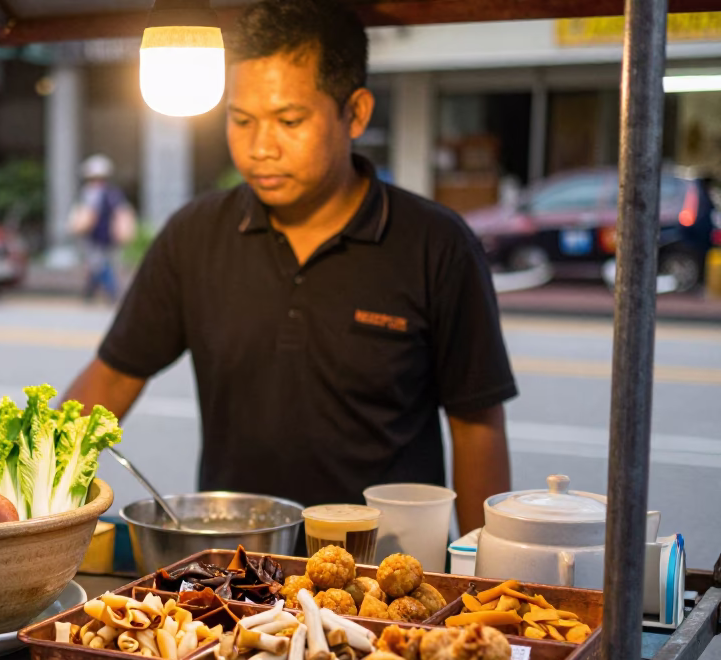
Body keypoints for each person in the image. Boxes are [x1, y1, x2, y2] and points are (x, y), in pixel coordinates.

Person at [62, 0, 515, 537]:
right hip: (239, 567)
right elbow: (113, 377)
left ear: (358, 112)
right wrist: (31, 485)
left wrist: (482, 570)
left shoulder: (436, 245)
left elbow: (476, 427)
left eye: (290, 120)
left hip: (383, 576)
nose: (259, 149)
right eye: (241, 120)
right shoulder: (196, 235)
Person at [68, 154, 135, 302]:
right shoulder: (114, 192)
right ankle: (88, 294)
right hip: (108, 237)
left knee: (99, 265)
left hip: (95, 237)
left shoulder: (90, 193)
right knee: (97, 265)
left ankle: (112, 292)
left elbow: (87, 217)